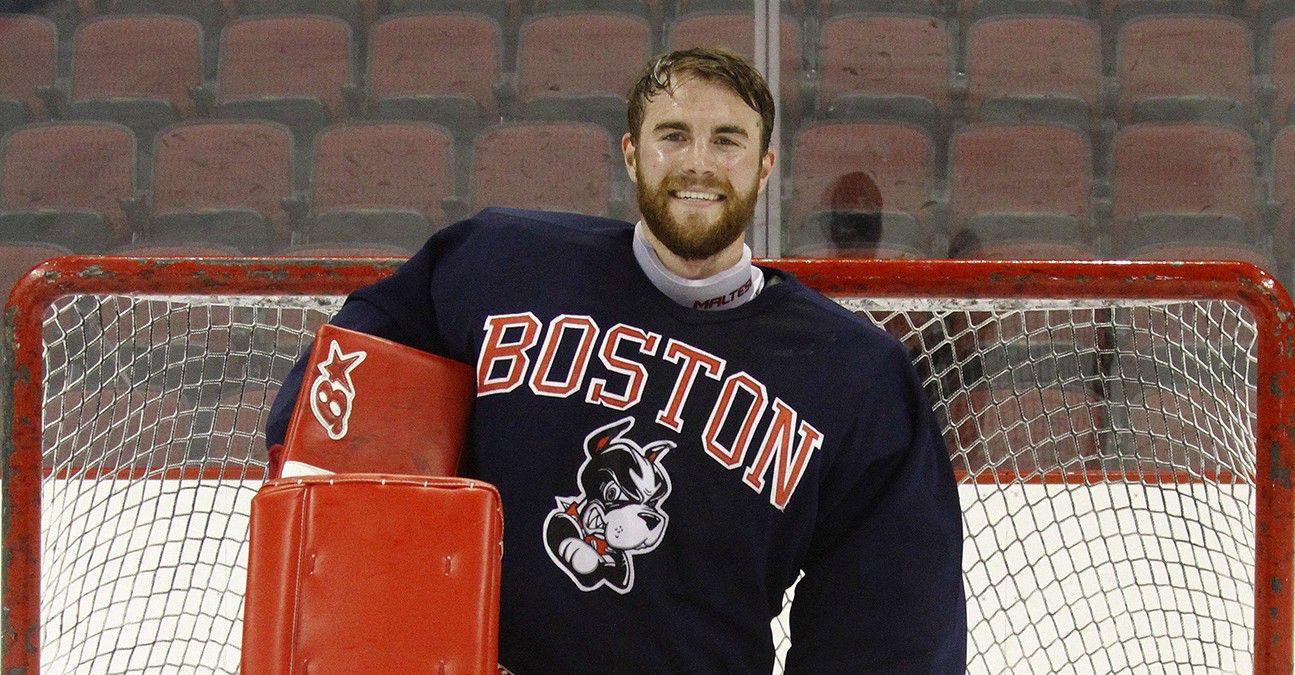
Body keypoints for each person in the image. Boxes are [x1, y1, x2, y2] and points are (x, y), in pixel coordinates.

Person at [266, 47, 966, 673]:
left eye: (727, 140)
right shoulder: (500, 266)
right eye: (673, 136)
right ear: (632, 154)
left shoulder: (851, 374)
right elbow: (352, 381)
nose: (698, 161)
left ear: (764, 164)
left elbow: (892, 624)